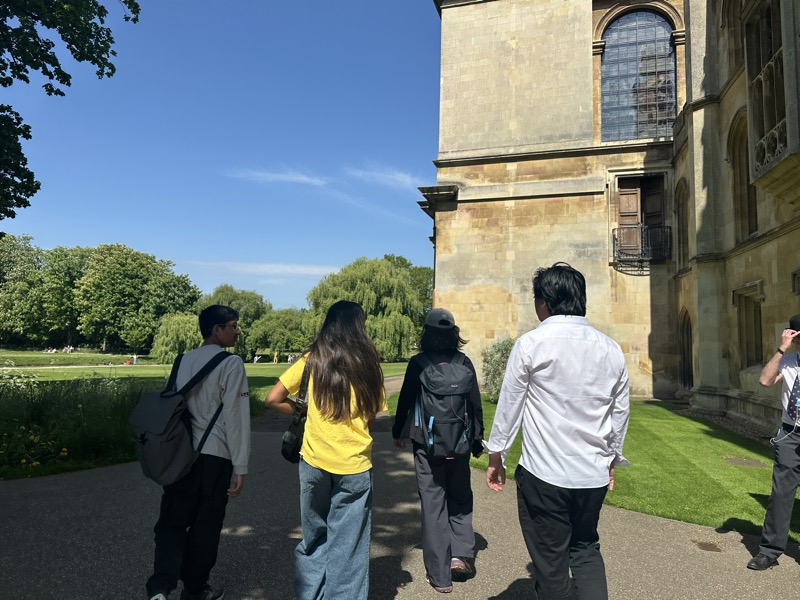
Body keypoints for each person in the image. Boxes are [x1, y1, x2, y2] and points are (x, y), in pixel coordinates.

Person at [485, 262, 630, 600]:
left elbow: (510, 406)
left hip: (545, 474)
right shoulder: (610, 348)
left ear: (544, 303)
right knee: (585, 548)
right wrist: (611, 459)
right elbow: (620, 412)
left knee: (551, 565)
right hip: (591, 473)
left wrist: (497, 454)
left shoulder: (532, 343)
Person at [265, 300, 386, 600]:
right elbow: (371, 416)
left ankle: (311, 594)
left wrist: (302, 413)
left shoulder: (311, 360)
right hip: (354, 463)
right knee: (350, 544)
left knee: (314, 534)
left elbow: (273, 398)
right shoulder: (369, 366)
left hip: (314, 460)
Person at [146, 305, 251, 600]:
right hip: (213, 456)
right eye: (233, 325)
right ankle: (194, 590)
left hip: (179, 456)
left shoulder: (182, 361)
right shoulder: (231, 364)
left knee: (172, 522)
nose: (237, 331)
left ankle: (160, 588)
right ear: (217, 330)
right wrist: (240, 466)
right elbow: (237, 416)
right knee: (206, 526)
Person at [392, 308, 485, 593]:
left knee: (433, 505)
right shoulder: (464, 362)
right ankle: (461, 556)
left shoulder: (418, 364)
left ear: (426, 334)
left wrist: (398, 432)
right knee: (460, 498)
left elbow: (406, 400)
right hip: (459, 445)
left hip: (427, 445)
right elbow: (475, 405)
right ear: (454, 334)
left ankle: (439, 575)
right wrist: (477, 440)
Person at [746, 314, 800, 571]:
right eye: (797, 338)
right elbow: (765, 380)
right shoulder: (787, 361)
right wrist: (782, 349)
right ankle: (769, 552)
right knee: (781, 494)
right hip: (791, 434)